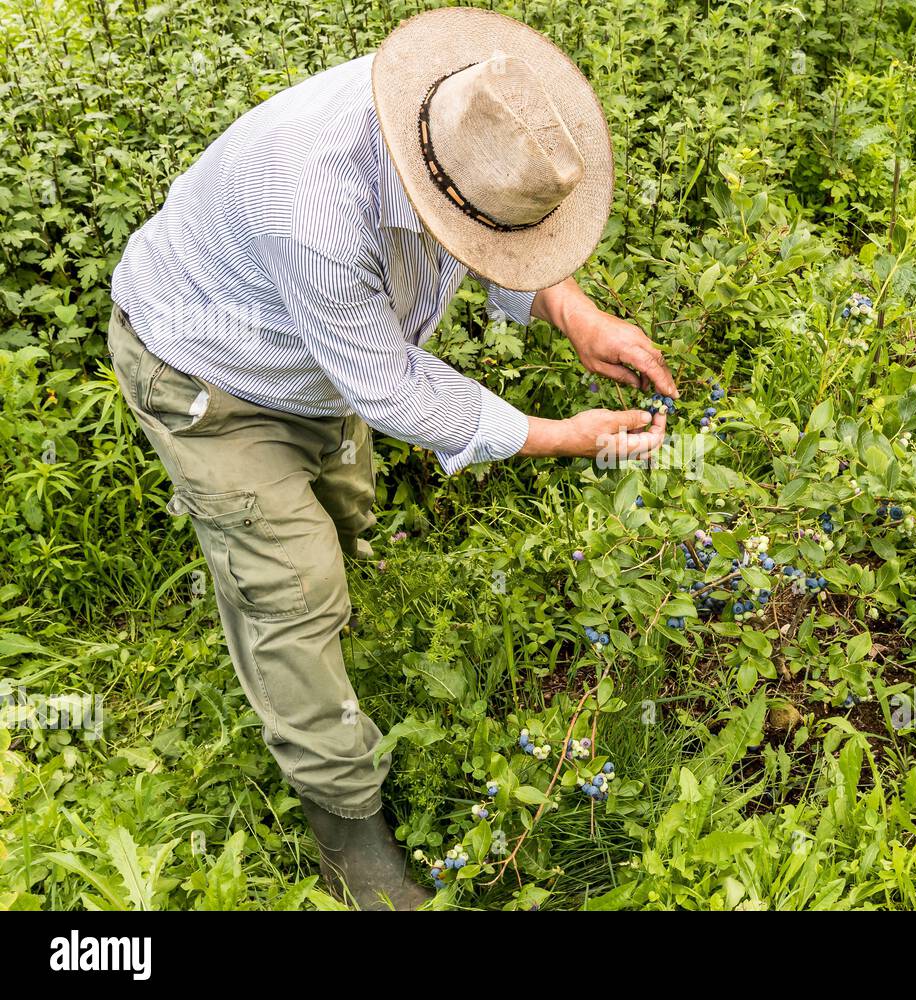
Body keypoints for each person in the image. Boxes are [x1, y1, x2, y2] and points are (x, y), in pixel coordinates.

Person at [106, 7, 676, 909]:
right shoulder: (314, 208)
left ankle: (337, 609)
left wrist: (576, 315)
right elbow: (389, 384)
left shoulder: (458, 112)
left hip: (312, 365)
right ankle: (348, 825)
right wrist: (558, 435)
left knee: (345, 508)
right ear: (429, 189)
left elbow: (490, 236)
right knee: (293, 591)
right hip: (208, 372)